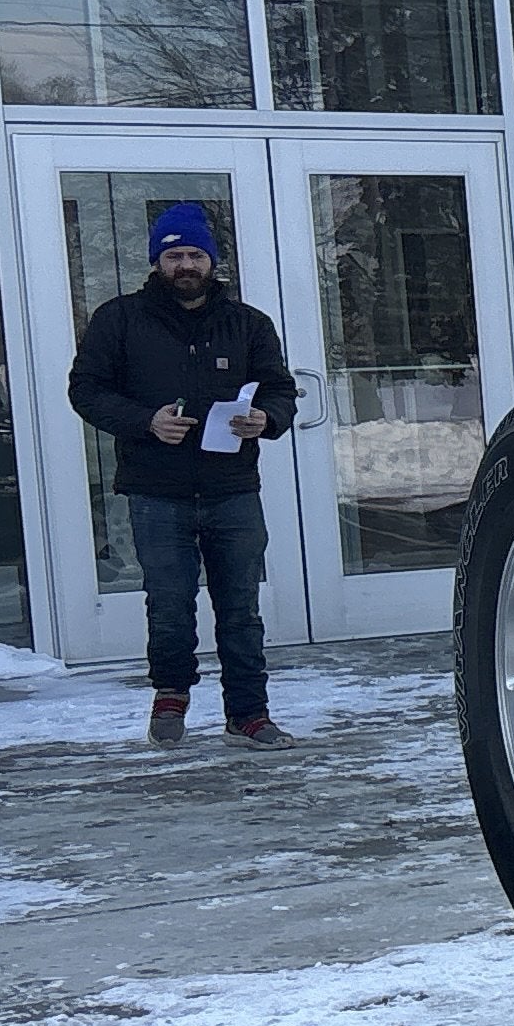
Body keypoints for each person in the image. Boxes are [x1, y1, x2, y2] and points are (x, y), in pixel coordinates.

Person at [67, 204, 296, 748]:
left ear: (211, 262)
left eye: (196, 254)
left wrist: (267, 419)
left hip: (232, 489)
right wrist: (145, 422)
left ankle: (249, 713)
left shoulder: (248, 324)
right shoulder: (118, 320)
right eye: (174, 255)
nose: (186, 264)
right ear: (157, 262)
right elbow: (86, 389)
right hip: (155, 489)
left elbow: (279, 389)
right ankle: (170, 697)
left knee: (240, 607)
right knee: (168, 603)